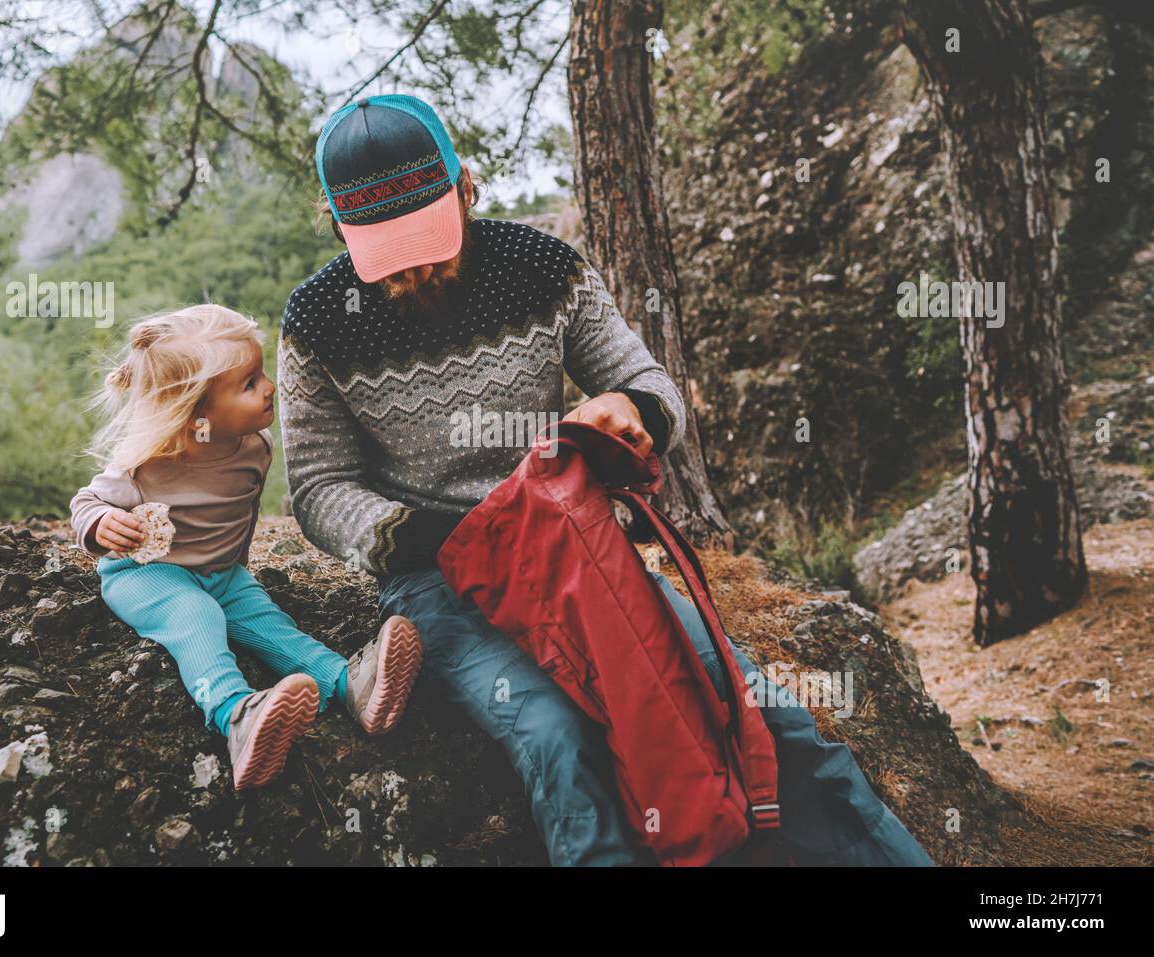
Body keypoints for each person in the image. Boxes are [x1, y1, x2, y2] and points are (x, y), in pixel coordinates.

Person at [279, 93, 934, 864]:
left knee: (745, 702)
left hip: (571, 551)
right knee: (557, 737)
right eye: (389, 248)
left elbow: (651, 386)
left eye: (428, 233)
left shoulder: (541, 268)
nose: (416, 265)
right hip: (437, 578)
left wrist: (631, 408)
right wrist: (433, 538)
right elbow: (319, 486)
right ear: (337, 226)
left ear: (465, 188)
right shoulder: (316, 320)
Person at [69, 303, 423, 792]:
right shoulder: (146, 463)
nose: (270, 387)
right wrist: (102, 523)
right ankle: (236, 715)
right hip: (146, 575)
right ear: (196, 414)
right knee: (197, 618)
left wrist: (238, 571)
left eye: (261, 374)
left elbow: (241, 512)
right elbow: (86, 502)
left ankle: (348, 685)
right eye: (249, 384)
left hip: (222, 572)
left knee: (272, 625)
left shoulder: (254, 446)